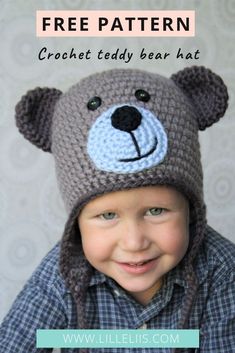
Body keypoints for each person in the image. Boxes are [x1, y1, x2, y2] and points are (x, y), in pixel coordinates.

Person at [0, 66, 234, 353]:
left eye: (157, 211)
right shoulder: (62, 274)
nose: (134, 242)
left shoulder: (221, 271)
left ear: (190, 209)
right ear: (77, 223)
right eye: (108, 215)